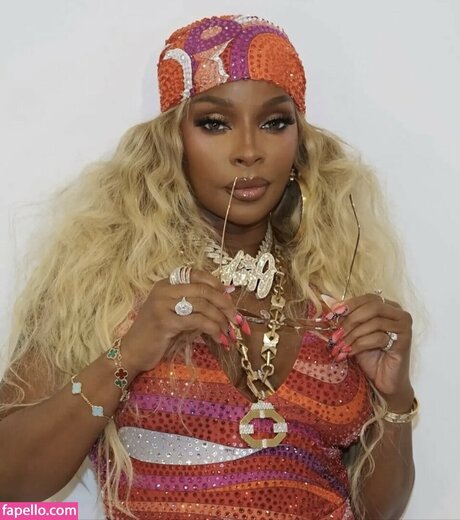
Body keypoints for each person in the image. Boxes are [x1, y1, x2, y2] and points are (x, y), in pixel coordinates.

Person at [0, 14, 416, 520]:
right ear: (170, 141)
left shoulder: (337, 292)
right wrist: (129, 354)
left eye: (275, 122)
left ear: (300, 144)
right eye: (215, 123)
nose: (249, 151)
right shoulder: (101, 283)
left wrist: (395, 398)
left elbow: (378, 511)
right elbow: (9, 480)